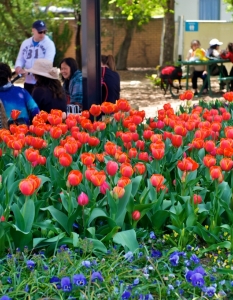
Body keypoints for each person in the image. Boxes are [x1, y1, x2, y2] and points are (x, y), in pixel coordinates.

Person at [15, 20, 56, 95]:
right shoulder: (25, 43)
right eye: (40, 32)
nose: (42, 34)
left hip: (42, 83)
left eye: (44, 32)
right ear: (33, 30)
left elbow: (47, 64)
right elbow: (20, 58)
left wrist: (30, 71)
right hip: (28, 82)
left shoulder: (49, 44)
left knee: (40, 106)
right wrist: (18, 67)